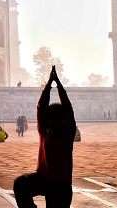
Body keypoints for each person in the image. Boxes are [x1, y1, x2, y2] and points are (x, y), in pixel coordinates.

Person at [14, 66, 76, 208]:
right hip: (44, 179)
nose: (51, 121)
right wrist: (49, 84)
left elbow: (67, 108)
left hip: (61, 185)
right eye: (50, 118)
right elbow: (41, 107)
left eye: (54, 118)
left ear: (61, 120)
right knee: (20, 184)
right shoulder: (46, 131)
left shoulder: (66, 134)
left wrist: (56, 84)